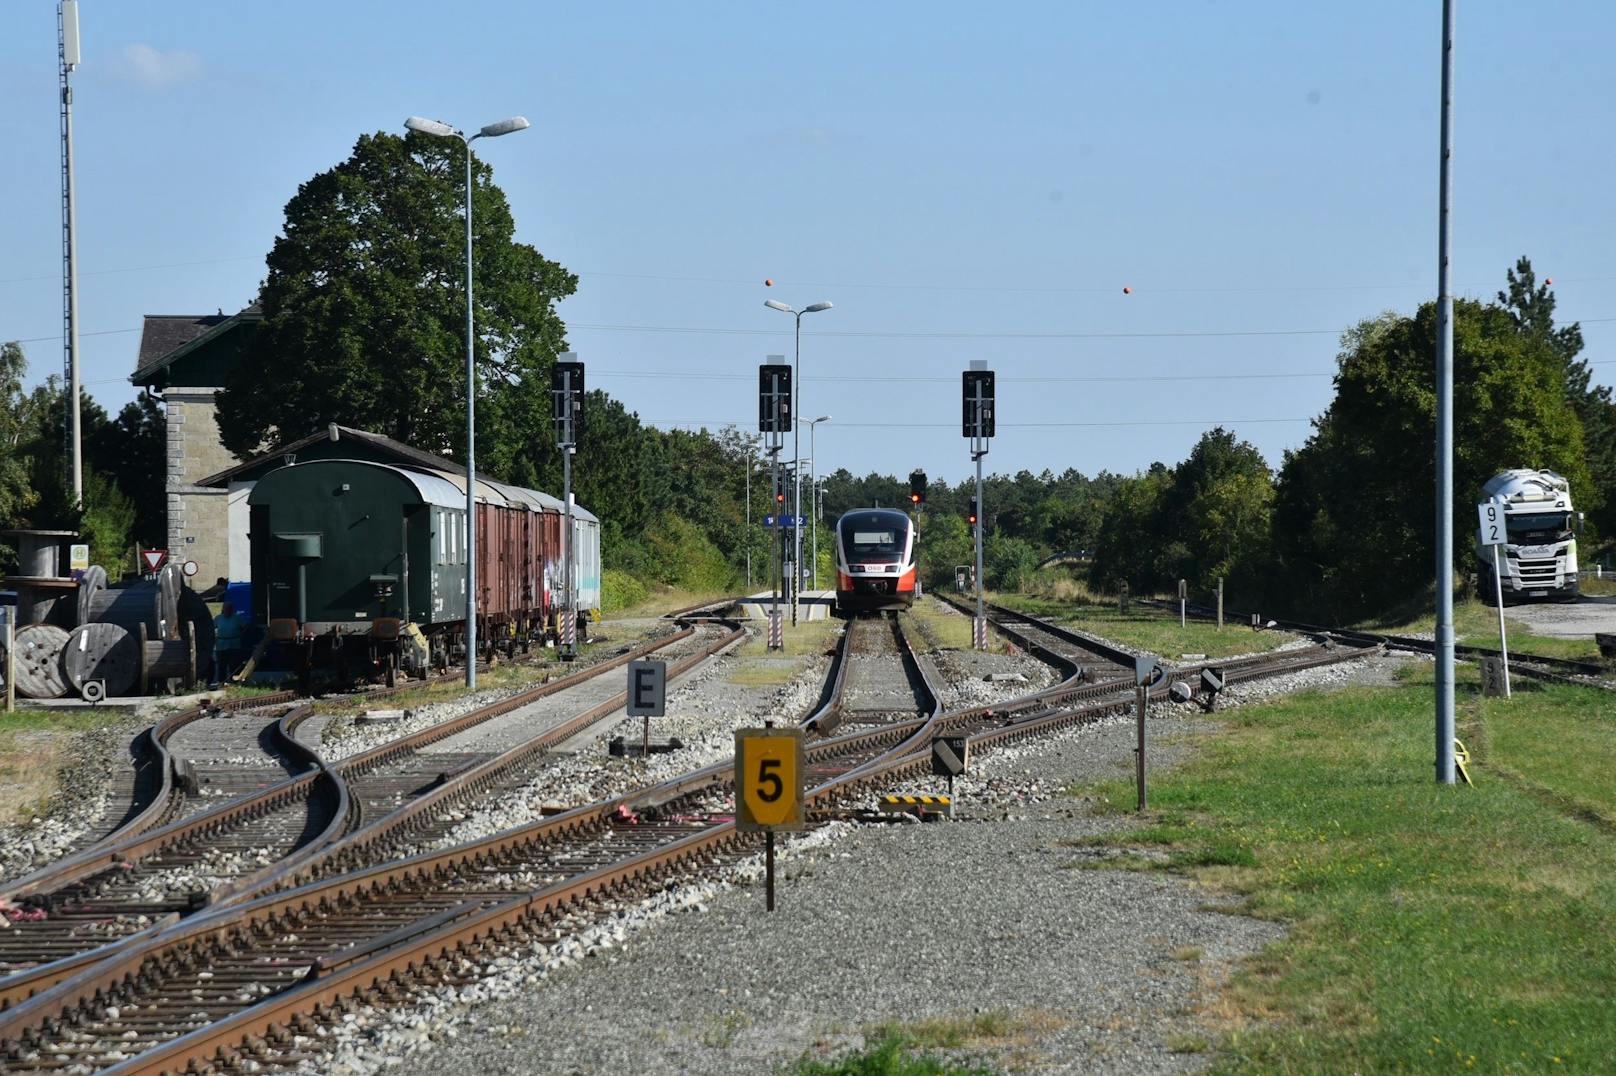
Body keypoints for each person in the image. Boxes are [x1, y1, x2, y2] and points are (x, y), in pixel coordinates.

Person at [212, 601, 247, 688]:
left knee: (234, 664)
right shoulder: (218, 618)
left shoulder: (237, 618)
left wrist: (241, 634)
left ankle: (234, 681)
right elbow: (212, 627)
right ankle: (221, 682)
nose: (227, 610)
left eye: (229, 608)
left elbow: (246, 627)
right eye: (226, 608)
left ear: (232, 610)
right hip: (221, 645)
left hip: (234, 644)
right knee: (222, 665)